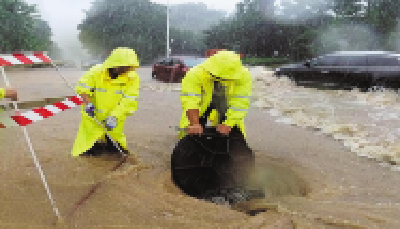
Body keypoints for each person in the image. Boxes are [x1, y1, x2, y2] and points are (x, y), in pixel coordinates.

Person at [71, 47, 140, 157]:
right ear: (115, 64)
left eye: (129, 67)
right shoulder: (97, 71)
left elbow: (129, 100)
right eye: (125, 66)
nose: (127, 69)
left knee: (117, 151)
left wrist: (115, 117)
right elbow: (82, 88)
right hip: (93, 117)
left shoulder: (132, 78)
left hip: (114, 119)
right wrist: (88, 104)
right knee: (87, 150)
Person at [179, 50, 252, 139]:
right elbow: (190, 101)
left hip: (225, 102)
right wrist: (195, 124)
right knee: (190, 131)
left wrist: (228, 123)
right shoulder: (194, 74)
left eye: (226, 79)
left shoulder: (243, 75)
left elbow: (240, 103)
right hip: (202, 102)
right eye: (218, 77)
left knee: (233, 132)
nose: (222, 80)